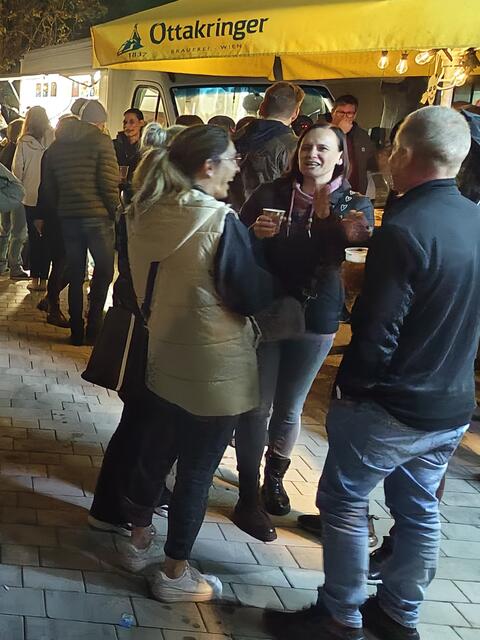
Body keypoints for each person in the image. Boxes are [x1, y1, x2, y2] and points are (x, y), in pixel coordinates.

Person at [264, 106, 480, 640]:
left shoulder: (403, 229)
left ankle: (340, 616)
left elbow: (379, 328)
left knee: (343, 502)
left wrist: (353, 390)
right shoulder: (474, 219)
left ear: (404, 153)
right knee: (420, 510)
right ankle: (400, 614)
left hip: (390, 403)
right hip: (450, 404)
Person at [91, 124, 276, 603]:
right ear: (208, 166)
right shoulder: (218, 221)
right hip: (214, 368)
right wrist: (268, 256)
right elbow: (249, 295)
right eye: (231, 158)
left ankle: (138, 542)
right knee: (196, 471)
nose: (236, 168)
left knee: (155, 453)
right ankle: (175, 574)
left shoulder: (144, 211)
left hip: (163, 351)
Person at [233, 123, 373, 542]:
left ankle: (274, 478)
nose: (312, 154)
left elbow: (354, 253)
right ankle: (247, 492)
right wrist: (253, 235)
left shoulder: (354, 203)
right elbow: (235, 243)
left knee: (290, 407)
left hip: (318, 313)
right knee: (256, 405)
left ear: (340, 157)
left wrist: (332, 221)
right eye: (307, 147)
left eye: (323, 148)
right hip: (270, 308)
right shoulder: (270, 193)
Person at [38, 99, 119, 345]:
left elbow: (48, 186)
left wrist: (59, 210)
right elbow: (108, 183)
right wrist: (115, 212)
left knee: (75, 274)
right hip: (98, 218)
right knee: (104, 271)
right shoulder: (101, 141)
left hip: (68, 218)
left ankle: (76, 331)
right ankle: (94, 327)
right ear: (100, 122)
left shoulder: (57, 146)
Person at [234, 82, 304, 206]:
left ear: (261, 108)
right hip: (268, 215)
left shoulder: (231, 140)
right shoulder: (298, 147)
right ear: (295, 113)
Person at [12, 106, 54, 290]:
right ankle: (45, 279)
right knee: (47, 238)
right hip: (50, 196)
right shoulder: (53, 137)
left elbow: (17, 169)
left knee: (34, 238)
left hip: (30, 197)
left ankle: (35, 279)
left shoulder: (24, 141)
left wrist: (20, 189)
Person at [330, 95, 377, 195]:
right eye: (340, 113)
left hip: (356, 193)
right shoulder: (322, 133)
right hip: (331, 192)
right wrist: (340, 132)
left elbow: (370, 163)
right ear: (332, 112)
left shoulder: (362, 136)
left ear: (354, 115)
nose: (344, 117)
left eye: (349, 114)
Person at [0, 118, 28, 278]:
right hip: (15, 197)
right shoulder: (19, 149)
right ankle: (15, 265)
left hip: (4, 195)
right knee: (19, 232)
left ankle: (2, 263)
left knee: (5, 229)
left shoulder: (5, 149)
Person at [113, 108, 145, 180]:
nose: (127, 126)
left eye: (131, 122)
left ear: (141, 123)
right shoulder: (113, 145)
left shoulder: (146, 148)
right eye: (125, 122)